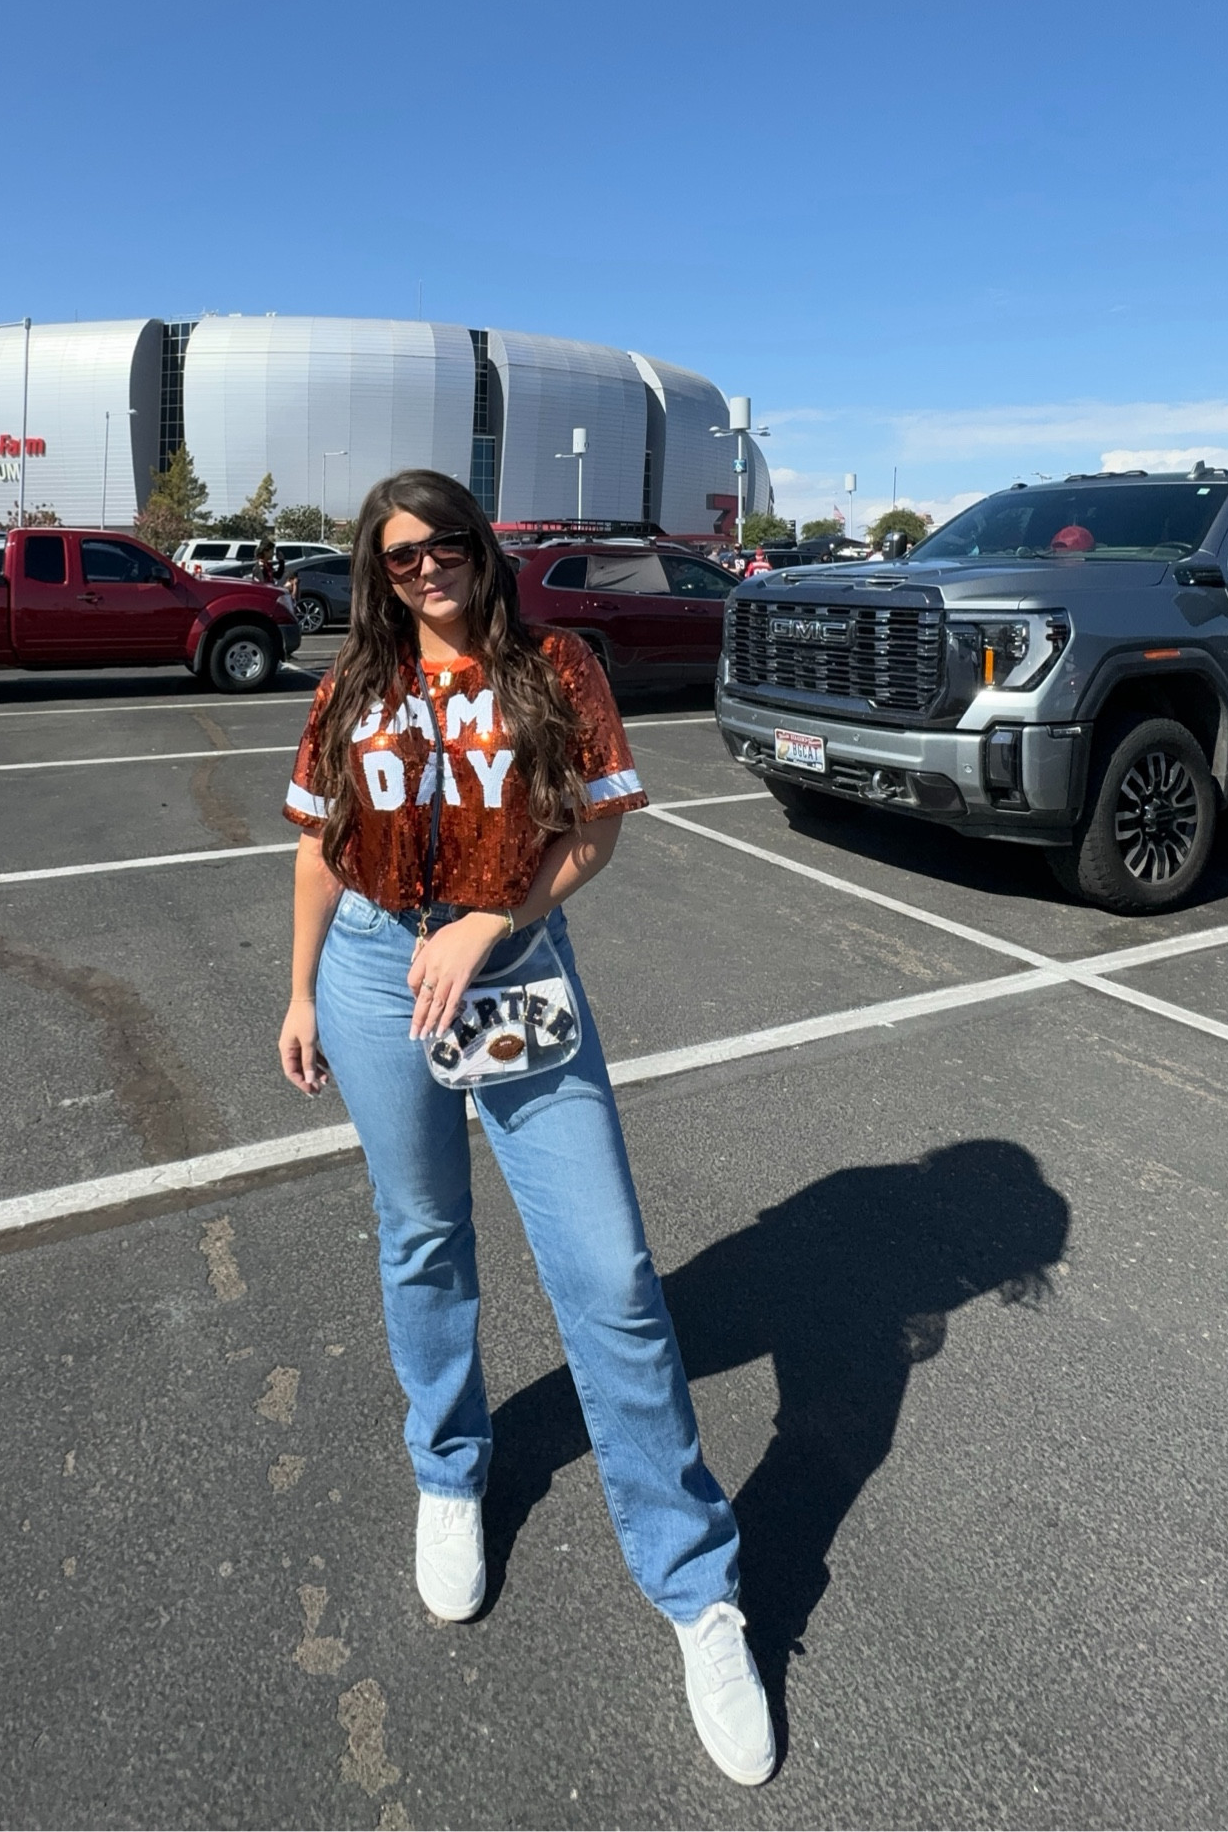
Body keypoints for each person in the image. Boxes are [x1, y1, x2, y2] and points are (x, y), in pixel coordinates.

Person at [277, 468, 776, 1788]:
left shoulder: (551, 665)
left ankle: (696, 1583)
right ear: (374, 573)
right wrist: (299, 986)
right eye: (400, 556)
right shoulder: (355, 686)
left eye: (447, 544)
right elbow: (322, 840)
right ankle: (451, 1469)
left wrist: (493, 917)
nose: (429, 567)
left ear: (479, 549)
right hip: (376, 975)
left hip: (511, 971)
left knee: (607, 1269)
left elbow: (598, 825)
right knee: (423, 1233)